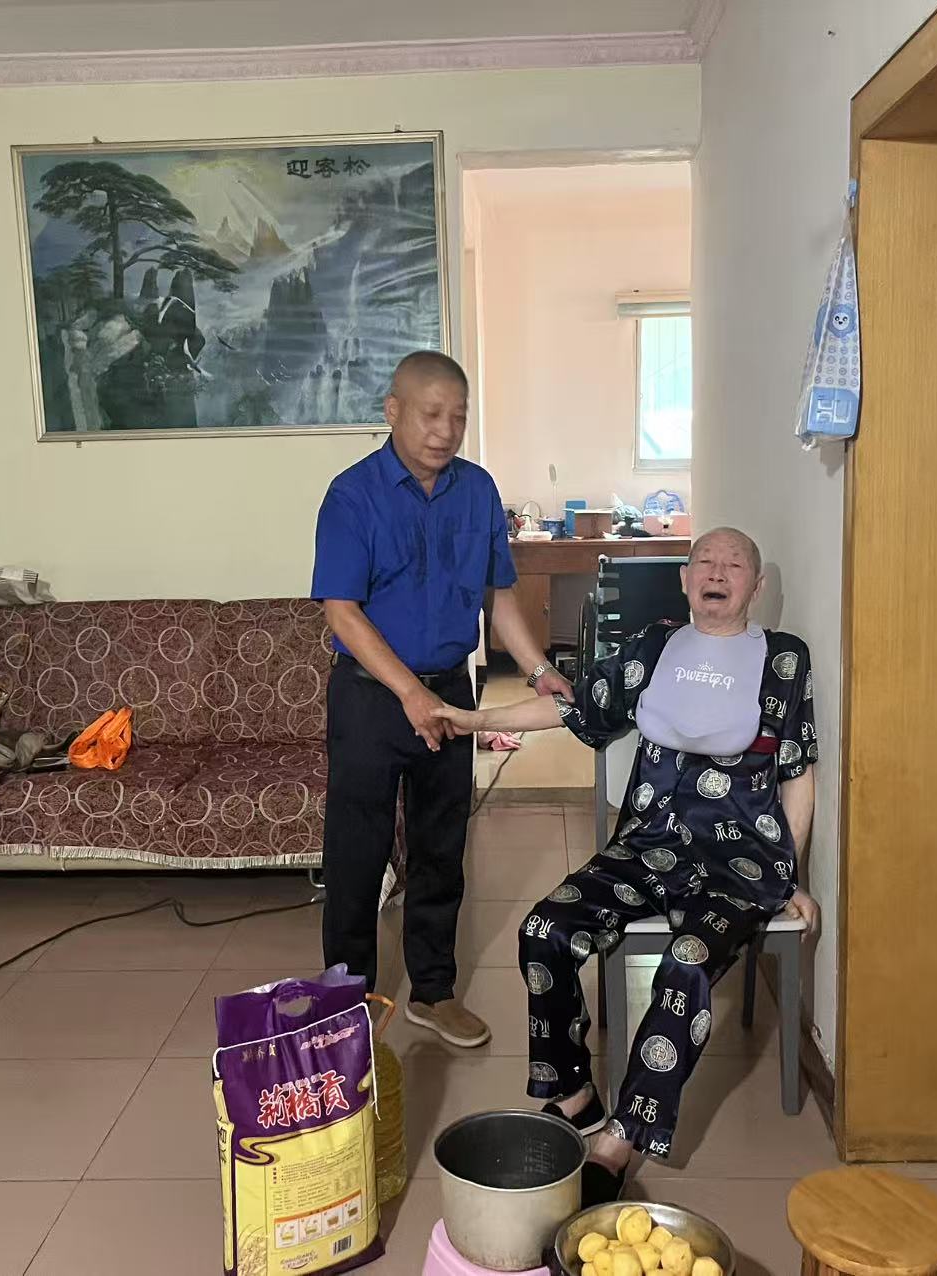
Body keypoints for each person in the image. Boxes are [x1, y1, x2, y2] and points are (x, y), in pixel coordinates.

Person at [433, 527, 820, 1200]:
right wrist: (471, 720)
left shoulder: (783, 659)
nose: (717, 572)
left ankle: (618, 1143)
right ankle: (575, 1095)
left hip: (741, 862)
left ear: (755, 587)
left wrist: (792, 876)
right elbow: (573, 707)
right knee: (544, 931)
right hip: (647, 844)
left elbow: (797, 772)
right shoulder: (652, 646)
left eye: (734, 564)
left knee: (688, 963)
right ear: (684, 579)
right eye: (705, 561)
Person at [311, 350, 572, 1048]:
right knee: (356, 855)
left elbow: (497, 595)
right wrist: (408, 693)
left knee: (441, 847)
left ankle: (432, 990)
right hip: (371, 697)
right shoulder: (352, 496)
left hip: (452, 693)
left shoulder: (477, 491)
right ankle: (346, 1003)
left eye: (458, 416)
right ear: (393, 411)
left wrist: (539, 670)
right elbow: (342, 612)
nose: (445, 430)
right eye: (431, 414)